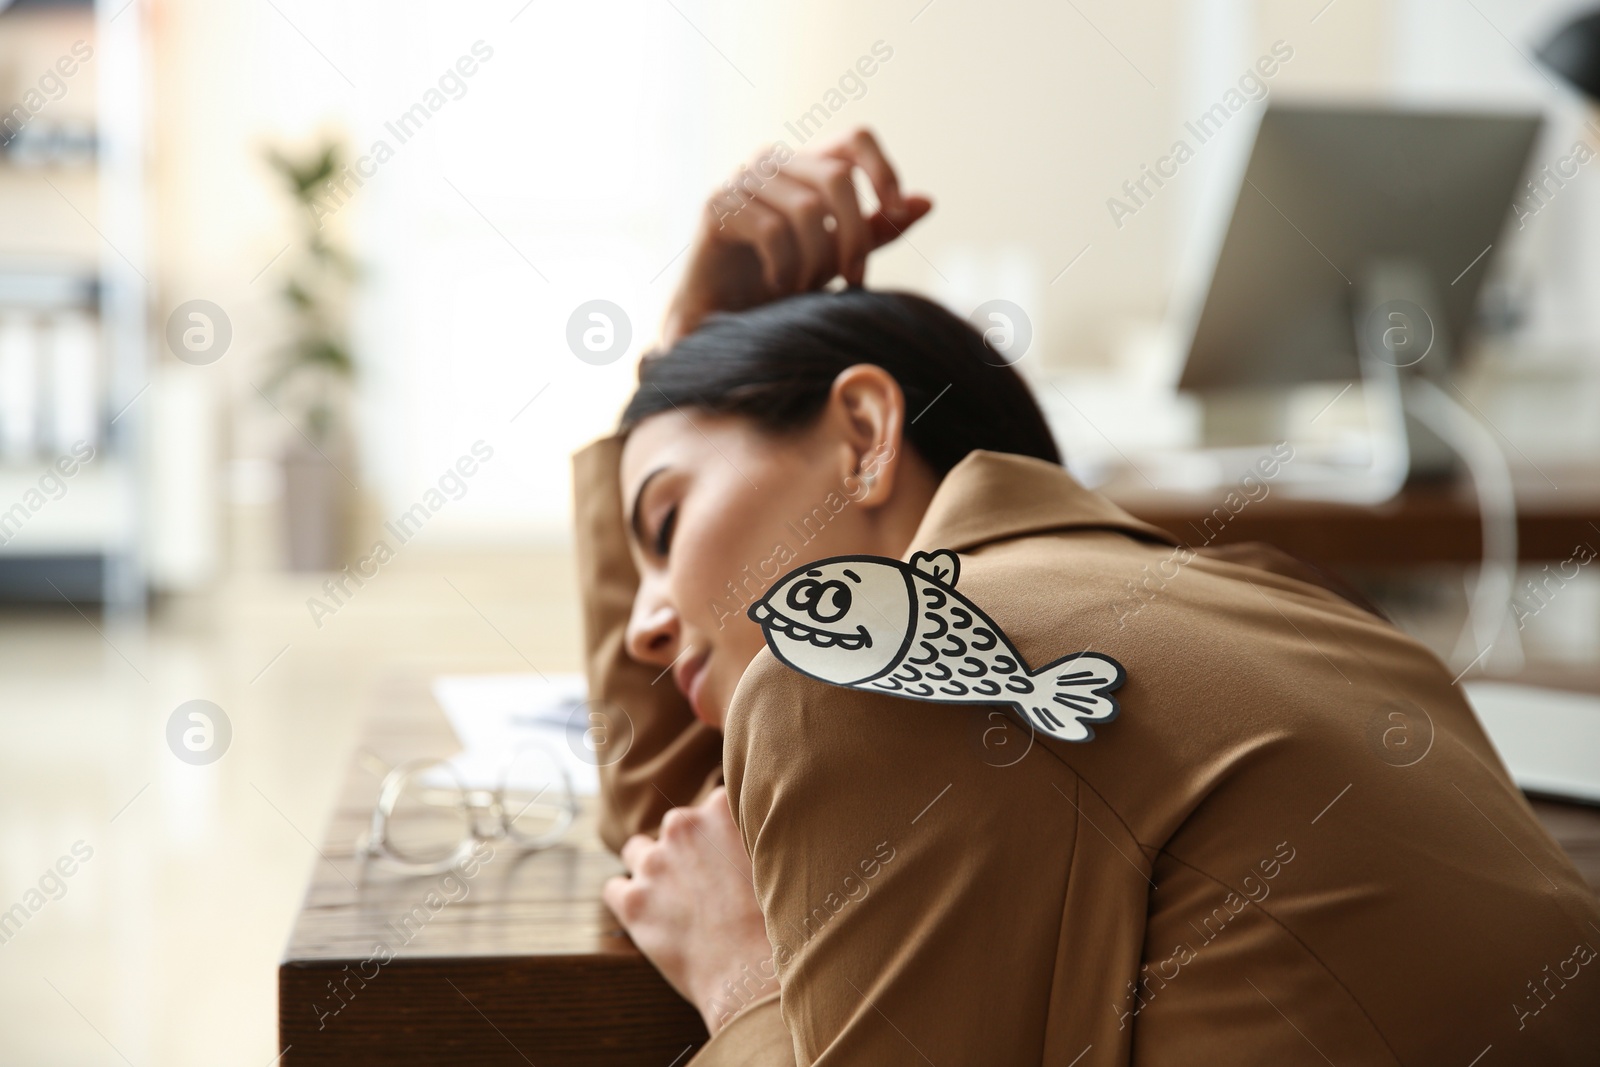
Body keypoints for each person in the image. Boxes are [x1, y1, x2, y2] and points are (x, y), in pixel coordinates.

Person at [571, 129, 1600, 1064]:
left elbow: (716, 879)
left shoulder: (874, 672)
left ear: (861, 437)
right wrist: (682, 350)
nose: (642, 621)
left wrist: (743, 986)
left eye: (665, 522)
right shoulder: (1277, 602)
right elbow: (683, 847)